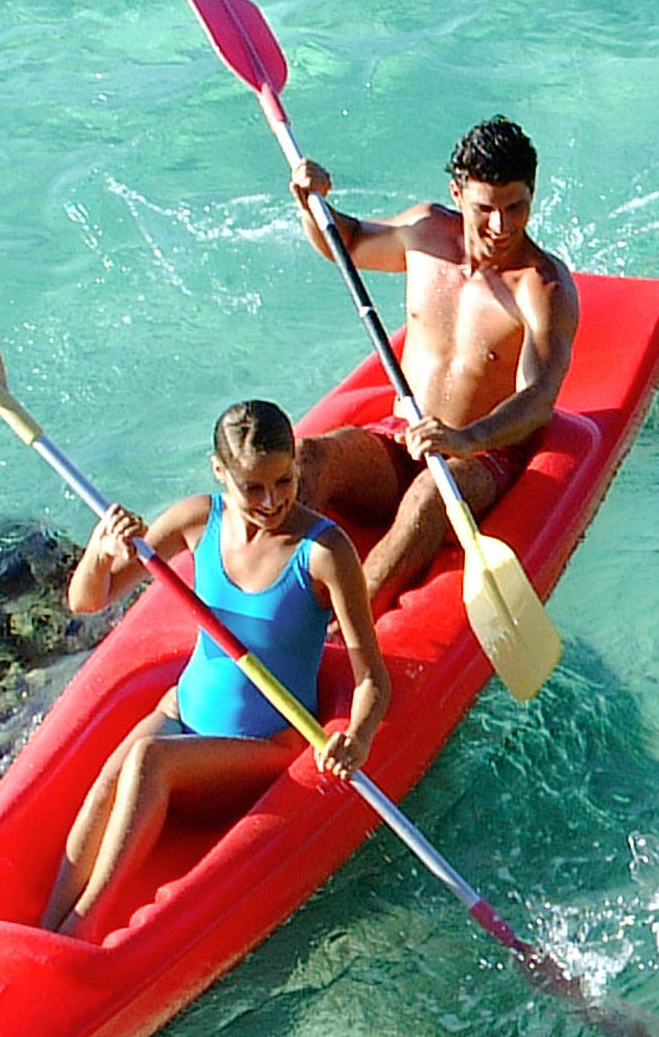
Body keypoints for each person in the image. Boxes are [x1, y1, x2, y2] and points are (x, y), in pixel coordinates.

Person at [46, 402, 388, 940]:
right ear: (219, 472)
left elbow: (371, 677)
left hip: (263, 745)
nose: (273, 501)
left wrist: (358, 737)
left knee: (147, 759)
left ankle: (80, 935)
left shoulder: (323, 552)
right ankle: (48, 929)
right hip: (181, 713)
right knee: (113, 776)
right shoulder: (194, 520)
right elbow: (88, 600)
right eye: (254, 488)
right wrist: (100, 550)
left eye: (284, 480)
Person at [290, 114, 581, 604]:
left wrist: (466, 438)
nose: (501, 225)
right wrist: (309, 204)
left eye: (516, 207)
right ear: (457, 192)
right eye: (485, 208)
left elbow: (538, 400)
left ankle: (343, 633)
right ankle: (275, 600)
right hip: (403, 437)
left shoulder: (542, 288)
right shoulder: (424, 232)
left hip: (483, 456)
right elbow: (347, 242)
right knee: (311, 458)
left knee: (429, 496)